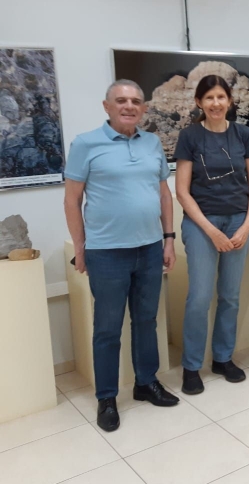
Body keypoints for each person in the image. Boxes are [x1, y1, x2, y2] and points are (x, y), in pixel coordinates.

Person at [64, 79, 179, 433]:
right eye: (121, 101)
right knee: (107, 329)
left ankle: (146, 383)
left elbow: (163, 194)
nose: (129, 106)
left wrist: (169, 239)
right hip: (106, 253)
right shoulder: (86, 144)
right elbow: (72, 200)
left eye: (135, 101)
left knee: (146, 321)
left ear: (143, 108)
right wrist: (81, 248)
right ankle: (108, 398)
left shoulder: (152, 143)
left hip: (148, 249)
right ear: (107, 106)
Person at [173, 75, 249, 395]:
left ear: (229, 101)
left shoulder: (243, 134)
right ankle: (192, 366)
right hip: (201, 224)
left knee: (230, 295)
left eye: (221, 97)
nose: (215, 103)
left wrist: (248, 224)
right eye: (208, 98)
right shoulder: (190, 136)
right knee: (199, 297)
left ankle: (223, 358)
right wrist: (211, 231)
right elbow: (182, 192)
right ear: (199, 102)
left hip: (239, 221)